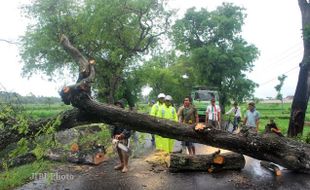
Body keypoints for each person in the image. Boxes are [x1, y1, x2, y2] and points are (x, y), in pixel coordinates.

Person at [112, 100, 131, 173]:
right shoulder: (114, 116)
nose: (117, 107)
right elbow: (113, 126)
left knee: (124, 150)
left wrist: (122, 134)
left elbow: (129, 127)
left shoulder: (126, 115)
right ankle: (122, 164)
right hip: (116, 136)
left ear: (122, 107)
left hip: (124, 136)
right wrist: (113, 135)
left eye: (119, 105)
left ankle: (126, 166)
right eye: (116, 105)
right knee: (119, 150)